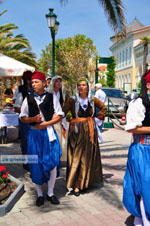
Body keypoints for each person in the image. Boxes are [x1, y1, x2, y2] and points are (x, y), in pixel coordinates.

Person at [20, 71, 64, 207]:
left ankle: (50, 193)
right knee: (36, 164)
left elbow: (60, 114)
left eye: (36, 82)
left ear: (44, 83)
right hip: (34, 135)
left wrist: (47, 123)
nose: (33, 84)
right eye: (32, 82)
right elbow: (22, 117)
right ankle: (39, 194)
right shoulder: (28, 99)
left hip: (49, 134)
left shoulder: (52, 97)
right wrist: (33, 119)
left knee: (51, 162)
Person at [62, 78, 107, 196]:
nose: (81, 87)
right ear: (77, 87)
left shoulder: (92, 99)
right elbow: (62, 112)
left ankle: (83, 183)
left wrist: (97, 119)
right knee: (76, 157)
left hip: (89, 131)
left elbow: (104, 108)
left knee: (87, 157)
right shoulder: (72, 100)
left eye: (84, 85)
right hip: (76, 132)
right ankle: (76, 184)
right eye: (79, 85)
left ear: (87, 87)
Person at [123, 69, 150, 225]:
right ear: (148, 85)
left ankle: (140, 221)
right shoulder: (138, 103)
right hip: (142, 150)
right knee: (144, 188)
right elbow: (131, 127)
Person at [14, 70, 32, 170]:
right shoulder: (21, 90)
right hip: (24, 119)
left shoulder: (36, 89)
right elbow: (16, 106)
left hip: (34, 119)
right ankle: (26, 161)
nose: (30, 81)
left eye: (31, 79)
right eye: (28, 79)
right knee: (25, 139)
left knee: (32, 140)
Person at [48, 75, 69, 162]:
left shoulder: (64, 94)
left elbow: (67, 106)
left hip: (61, 118)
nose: (59, 83)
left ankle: (60, 158)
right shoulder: (48, 93)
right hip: (51, 119)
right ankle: (52, 157)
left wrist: (62, 114)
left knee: (62, 138)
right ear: (53, 83)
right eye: (57, 81)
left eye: (60, 81)